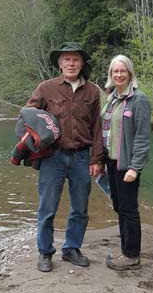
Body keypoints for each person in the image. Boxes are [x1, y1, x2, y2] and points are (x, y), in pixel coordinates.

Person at [27, 42, 104, 272]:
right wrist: (34, 145)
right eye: (66, 59)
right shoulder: (45, 88)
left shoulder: (92, 91)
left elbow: (98, 127)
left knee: (80, 208)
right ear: (59, 64)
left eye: (76, 59)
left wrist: (96, 159)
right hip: (53, 157)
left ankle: (72, 249)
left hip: (82, 157)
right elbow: (28, 116)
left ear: (82, 64)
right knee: (47, 207)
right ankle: (45, 253)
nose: (71, 63)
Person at [101, 55, 151, 271]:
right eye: (115, 71)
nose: (119, 75)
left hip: (127, 166)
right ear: (111, 75)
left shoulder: (138, 99)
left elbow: (142, 137)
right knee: (120, 207)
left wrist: (135, 167)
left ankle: (132, 256)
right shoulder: (112, 98)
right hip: (112, 163)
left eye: (123, 71)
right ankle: (126, 250)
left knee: (129, 209)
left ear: (130, 73)